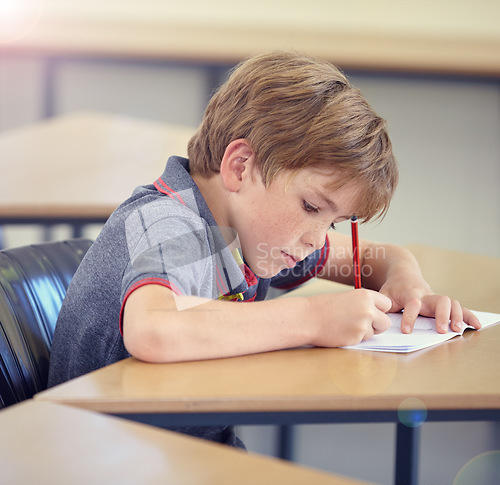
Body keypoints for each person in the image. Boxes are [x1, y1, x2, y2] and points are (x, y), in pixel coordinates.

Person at [47, 51, 480, 447]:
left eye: (332, 221)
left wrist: (408, 284)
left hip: (178, 454)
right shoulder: (171, 222)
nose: (317, 236)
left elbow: (382, 257)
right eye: (311, 206)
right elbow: (153, 329)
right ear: (240, 166)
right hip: (107, 462)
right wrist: (313, 318)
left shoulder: (260, 237)